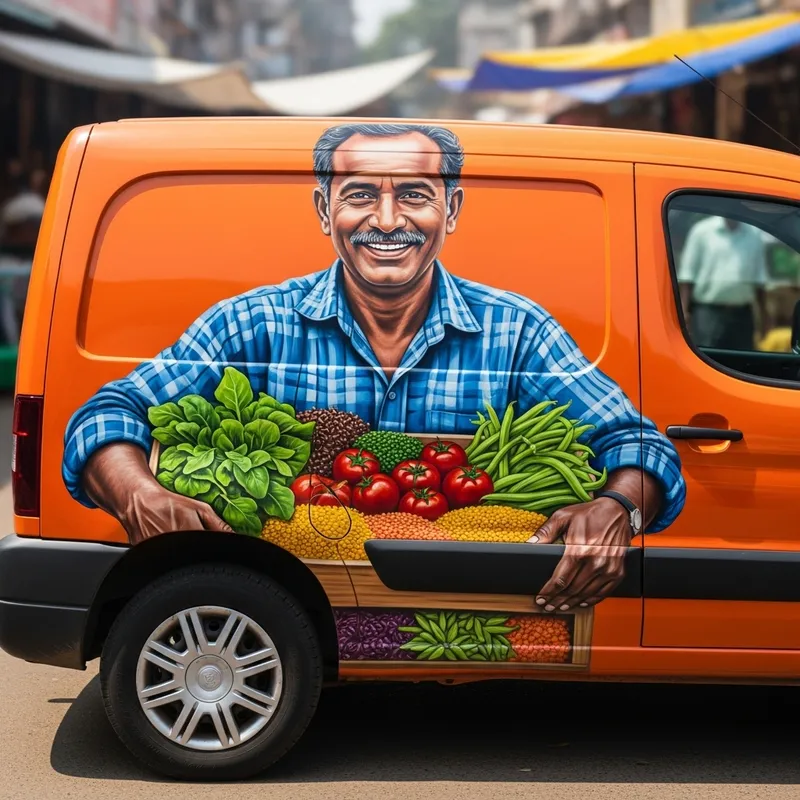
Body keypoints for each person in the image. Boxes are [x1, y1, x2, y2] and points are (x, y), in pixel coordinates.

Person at [62, 122, 686, 611]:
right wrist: (137, 490)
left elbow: (635, 442)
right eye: (361, 194)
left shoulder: (517, 329)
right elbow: (107, 413)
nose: (387, 221)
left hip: (472, 620)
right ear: (323, 208)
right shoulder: (254, 322)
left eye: (413, 195)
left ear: (453, 208)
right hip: (277, 624)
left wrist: (619, 507)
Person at [678, 215, 769, 351]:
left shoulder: (754, 234)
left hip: (742, 315)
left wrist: (764, 316)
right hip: (708, 314)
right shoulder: (702, 231)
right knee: (706, 359)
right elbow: (687, 275)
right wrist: (683, 312)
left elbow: (759, 279)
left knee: (741, 363)